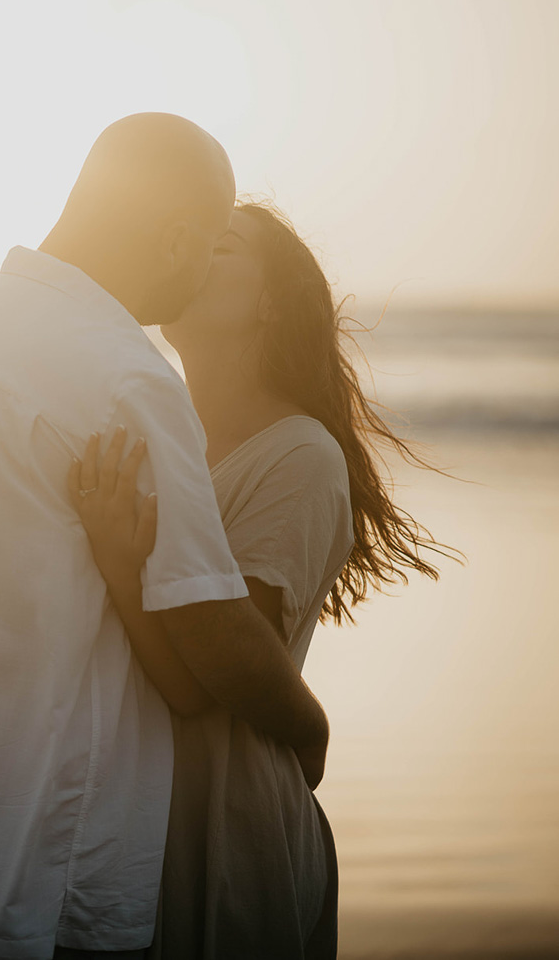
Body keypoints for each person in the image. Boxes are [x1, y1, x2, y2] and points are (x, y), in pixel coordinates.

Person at [0, 115, 330, 960]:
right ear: (175, 237)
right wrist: (307, 725)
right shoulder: (123, 374)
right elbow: (206, 636)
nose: (189, 288)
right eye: (204, 250)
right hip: (53, 858)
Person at [71, 202, 456, 959]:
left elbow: (201, 678)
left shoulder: (299, 457)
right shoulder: (158, 435)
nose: (189, 250)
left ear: (268, 303)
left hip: (228, 816)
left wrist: (121, 565)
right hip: (140, 808)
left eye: (222, 247)